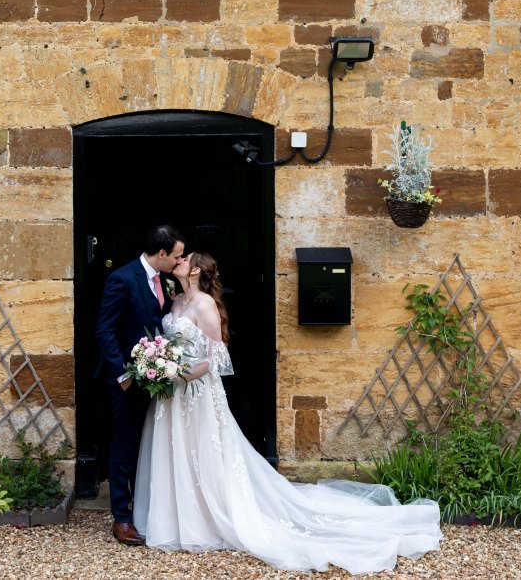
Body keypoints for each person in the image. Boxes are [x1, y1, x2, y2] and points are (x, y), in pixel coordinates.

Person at [134, 252, 442, 574]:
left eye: (185, 258)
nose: (178, 260)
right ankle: (177, 519)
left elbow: (215, 360)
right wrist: (159, 364)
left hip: (196, 393)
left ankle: (207, 519)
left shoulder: (205, 305)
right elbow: (170, 344)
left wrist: (176, 374)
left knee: (205, 453)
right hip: (172, 397)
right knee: (179, 452)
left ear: (196, 269)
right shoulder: (176, 301)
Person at [95, 225, 185, 546]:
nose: (178, 261)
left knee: (147, 443)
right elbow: (104, 330)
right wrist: (122, 375)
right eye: (175, 256)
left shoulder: (168, 281)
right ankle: (121, 518)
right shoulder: (122, 279)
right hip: (128, 380)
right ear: (161, 254)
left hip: (157, 378)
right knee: (124, 445)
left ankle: (144, 510)